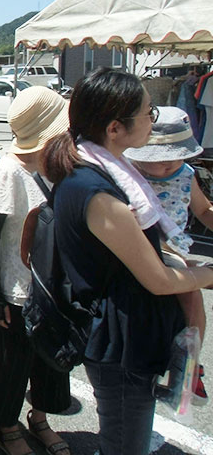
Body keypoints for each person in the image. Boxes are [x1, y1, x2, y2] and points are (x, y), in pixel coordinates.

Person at [43, 67, 213, 455]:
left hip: (124, 336)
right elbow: (158, 280)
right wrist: (207, 274)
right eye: (148, 113)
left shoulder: (101, 172)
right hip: (120, 345)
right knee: (124, 445)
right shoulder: (99, 191)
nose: (153, 121)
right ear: (116, 128)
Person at [0, 86, 72, 455]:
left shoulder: (59, 165)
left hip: (53, 286)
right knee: (13, 363)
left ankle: (39, 419)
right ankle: (6, 427)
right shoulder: (7, 172)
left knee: (51, 362)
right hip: (16, 290)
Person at [124, 106, 209, 404]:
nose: (170, 164)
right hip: (139, 248)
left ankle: (189, 367)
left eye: (177, 156)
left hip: (173, 249)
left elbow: (201, 209)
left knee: (193, 297)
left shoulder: (186, 175)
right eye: (161, 159)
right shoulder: (128, 173)